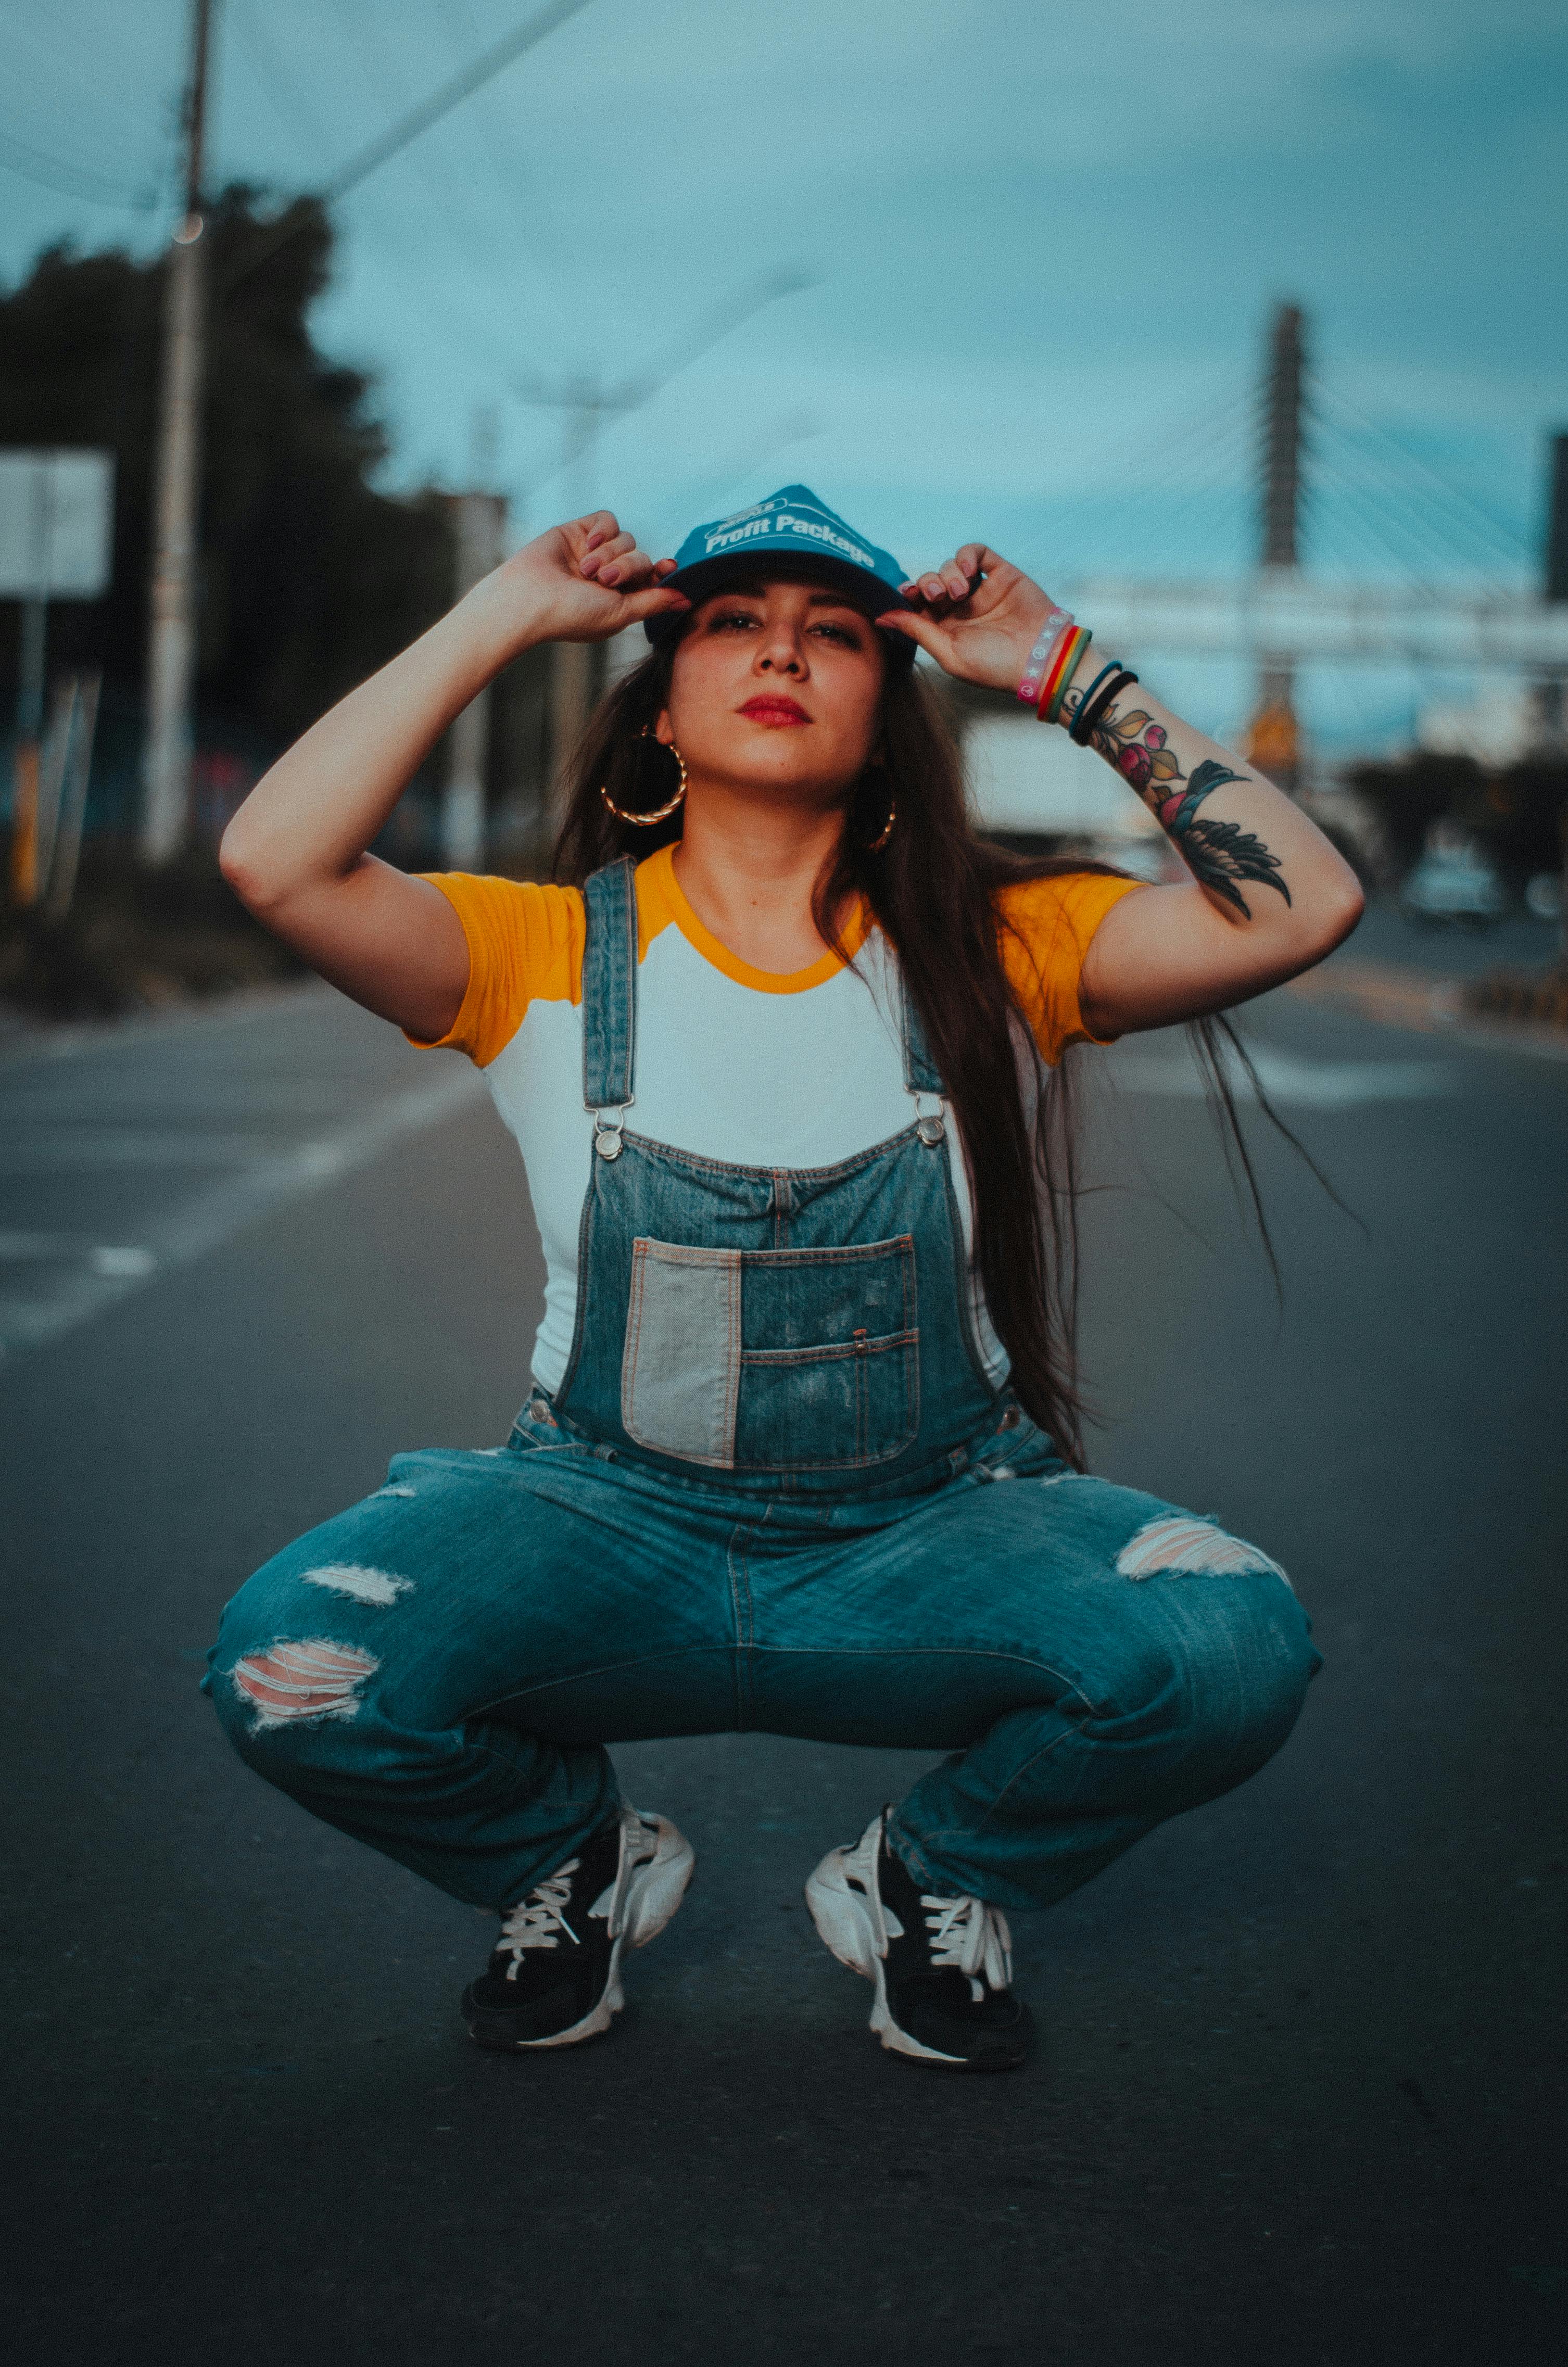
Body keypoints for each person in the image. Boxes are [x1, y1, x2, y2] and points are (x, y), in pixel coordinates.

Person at [209, 486, 1361, 2072]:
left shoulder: (997, 947)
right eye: (733, 624)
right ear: (660, 703)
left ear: (889, 717)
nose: (783, 652)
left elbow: (1305, 901)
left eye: (833, 634)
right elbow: (271, 860)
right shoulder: (536, 949)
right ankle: (568, 1860)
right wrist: (502, 612)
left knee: (1230, 1644)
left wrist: (1063, 667)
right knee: (292, 1667)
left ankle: (929, 1876)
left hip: (929, 1532)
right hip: (605, 1522)